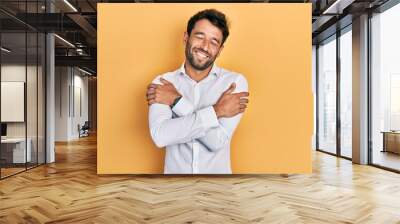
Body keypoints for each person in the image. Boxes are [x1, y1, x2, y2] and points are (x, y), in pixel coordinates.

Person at [146, 9, 249, 174]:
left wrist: (177, 101)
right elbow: (161, 136)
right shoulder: (163, 83)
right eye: (200, 36)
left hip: (217, 189)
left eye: (214, 42)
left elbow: (216, 142)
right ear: (186, 38)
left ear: (220, 50)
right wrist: (217, 111)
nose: (205, 46)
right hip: (174, 188)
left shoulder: (234, 83)